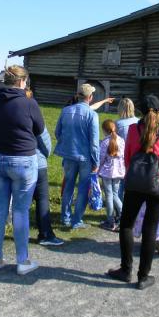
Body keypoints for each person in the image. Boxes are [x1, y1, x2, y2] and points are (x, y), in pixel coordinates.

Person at [107, 95, 159, 290]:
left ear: (141, 112)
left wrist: (135, 175)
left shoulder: (133, 130)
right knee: (150, 229)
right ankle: (143, 277)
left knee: (127, 225)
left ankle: (125, 270)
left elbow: (128, 158)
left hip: (135, 183)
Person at [0, 65, 45, 275]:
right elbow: (39, 129)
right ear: (22, 81)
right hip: (23, 160)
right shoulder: (29, 103)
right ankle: (22, 261)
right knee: (20, 211)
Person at [55, 83, 100, 229]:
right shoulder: (92, 114)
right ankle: (76, 220)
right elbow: (94, 142)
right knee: (83, 188)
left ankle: (65, 217)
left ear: (78, 96)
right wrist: (96, 161)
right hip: (85, 157)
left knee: (68, 185)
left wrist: (66, 142)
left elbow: (57, 133)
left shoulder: (66, 111)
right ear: (90, 97)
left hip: (69, 154)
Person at [34, 127, 65, 246]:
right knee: (42, 199)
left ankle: (18, 232)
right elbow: (44, 140)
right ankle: (45, 233)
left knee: (19, 202)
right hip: (35, 161)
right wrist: (43, 155)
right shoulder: (31, 110)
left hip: (7, 160)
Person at [98, 119, 125, 231]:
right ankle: (124, 216)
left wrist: (97, 169)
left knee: (109, 196)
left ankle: (110, 221)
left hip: (107, 172)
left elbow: (101, 158)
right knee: (115, 194)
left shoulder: (104, 142)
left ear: (104, 130)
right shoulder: (121, 140)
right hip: (119, 171)